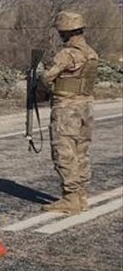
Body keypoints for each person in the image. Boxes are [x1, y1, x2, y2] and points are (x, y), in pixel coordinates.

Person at [40, 11, 98, 214]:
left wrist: (40, 81)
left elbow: (48, 78)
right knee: (81, 151)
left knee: (63, 151)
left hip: (66, 107)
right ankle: (81, 195)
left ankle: (70, 197)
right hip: (86, 107)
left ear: (65, 31)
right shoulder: (91, 53)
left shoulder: (67, 54)